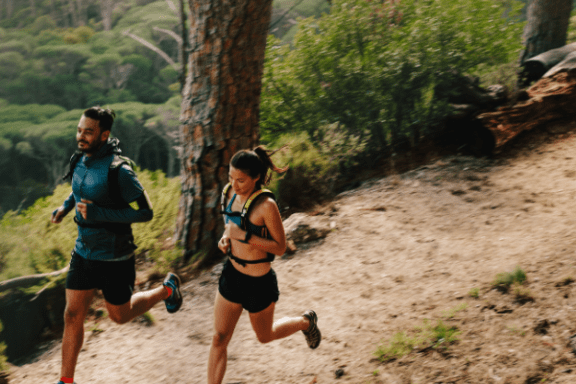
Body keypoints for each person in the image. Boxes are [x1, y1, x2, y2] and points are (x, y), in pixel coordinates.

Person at [51, 107, 183, 384]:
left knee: (120, 316)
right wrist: (64, 208)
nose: (81, 136)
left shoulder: (120, 171)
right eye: (79, 130)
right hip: (83, 252)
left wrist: (99, 214)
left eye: (88, 131)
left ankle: (166, 290)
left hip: (115, 257)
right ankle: (66, 380)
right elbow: (79, 189)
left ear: (104, 134)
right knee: (72, 314)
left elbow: (145, 212)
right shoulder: (80, 160)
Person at [208, 146, 321, 384]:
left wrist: (244, 236)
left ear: (256, 177)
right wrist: (226, 239)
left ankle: (306, 322)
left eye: (241, 180)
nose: (234, 185)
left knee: (265, 336)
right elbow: (231, 227)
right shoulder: (229, 193)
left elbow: (280, 247)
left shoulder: (266, 205)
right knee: (219, 338)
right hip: (231, 275)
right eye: (230, 177)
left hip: (258, 283)